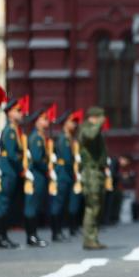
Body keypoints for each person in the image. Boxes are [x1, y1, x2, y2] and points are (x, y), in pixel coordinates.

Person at [0, 94, 28, 248]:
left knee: (6, 204)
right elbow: (12, 154)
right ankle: (1, 237)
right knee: (3, 204)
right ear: (9, 113)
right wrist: (22, 169)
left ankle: (3, 236)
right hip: (8, 170)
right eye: (18, 110)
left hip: (10, 171)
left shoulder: (15, 130)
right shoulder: (10, 131)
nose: (21, 113)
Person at [24, 104, 55, 247]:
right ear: (36, 121)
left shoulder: (41, 136)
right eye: (44, 119)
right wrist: (47, 167)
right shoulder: (36, 138)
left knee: (35, 206)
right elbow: (37, 158)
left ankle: (33, 235)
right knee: (32, 206)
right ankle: (31, 237)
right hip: (36, 175)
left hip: (40, 175)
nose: (47, 122)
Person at [79, 106, 110, 250]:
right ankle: (89, 239)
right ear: (93, 117)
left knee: (98, 207)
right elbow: (90, 136)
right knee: (92, 206)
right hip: (90, 172)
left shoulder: (95, 130)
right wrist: (99, 123)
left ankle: (93, 238)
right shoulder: (86, 128)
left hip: (98, 172)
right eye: (100, 118)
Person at [51, 109, 82, 241]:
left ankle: (60, 231)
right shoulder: (64, 139)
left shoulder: (70, 138)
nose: (74, 124)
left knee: (63, 203)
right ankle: (56, 232)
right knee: (58, 202)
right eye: (71, 121)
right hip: (63, 172)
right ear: (65, 123)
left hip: (67, 173)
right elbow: (67, 158)